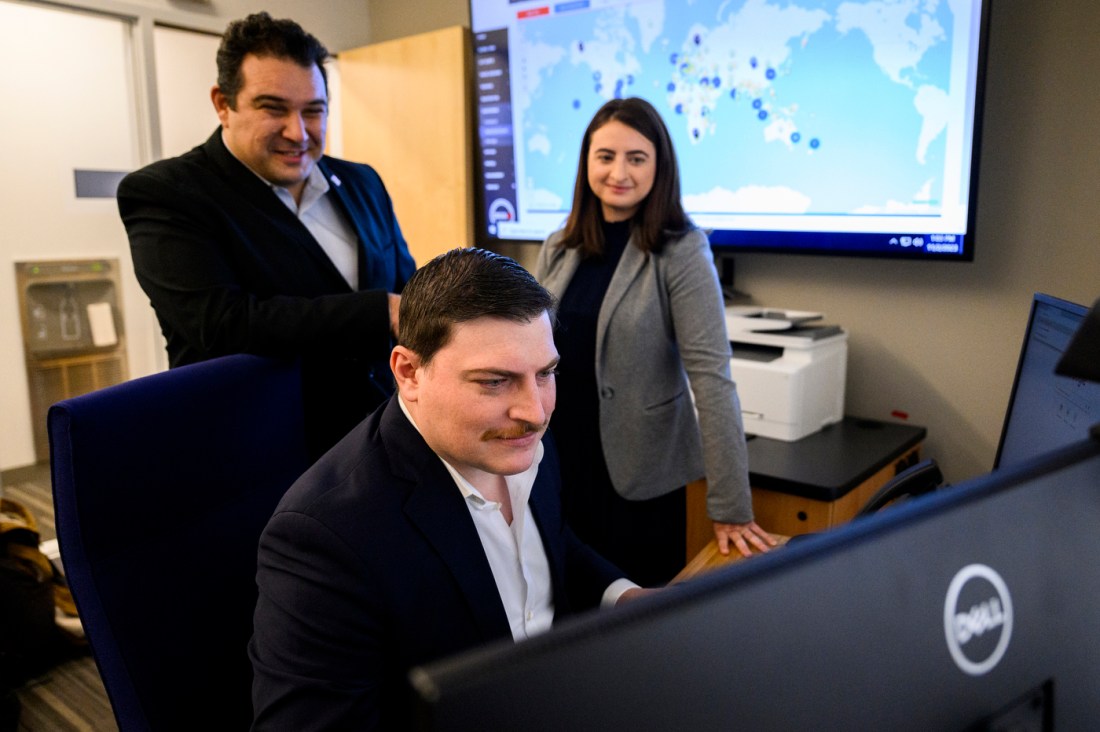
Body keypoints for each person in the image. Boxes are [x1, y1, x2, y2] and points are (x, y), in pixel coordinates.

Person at [249, 247, 646, 730]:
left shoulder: (516, 434)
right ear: (408, 373)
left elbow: (550, 543)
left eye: (546, 373)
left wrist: (622, 596)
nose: (536, 411)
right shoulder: (324, 537)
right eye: (495, 382)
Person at [117, 12, 416, 458]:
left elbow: (405, 284)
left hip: (381, 436)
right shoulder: (168, 193)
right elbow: (222, 324)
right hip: (260, 452)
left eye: (313, 111)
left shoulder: (361, 182)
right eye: (273, 108)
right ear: (223, 104)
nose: (298, 133)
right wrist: (381, 312)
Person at [536, 97, 775, 587]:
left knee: (636, 619)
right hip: (559, 467)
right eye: (605, 156)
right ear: (587, 163)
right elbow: (533, 352)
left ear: (659, 165)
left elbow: (711, 379)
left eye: (636, 157)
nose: (618, 171)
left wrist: (731, 506)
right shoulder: (559, 246)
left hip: (638, 479)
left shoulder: (681, 249)